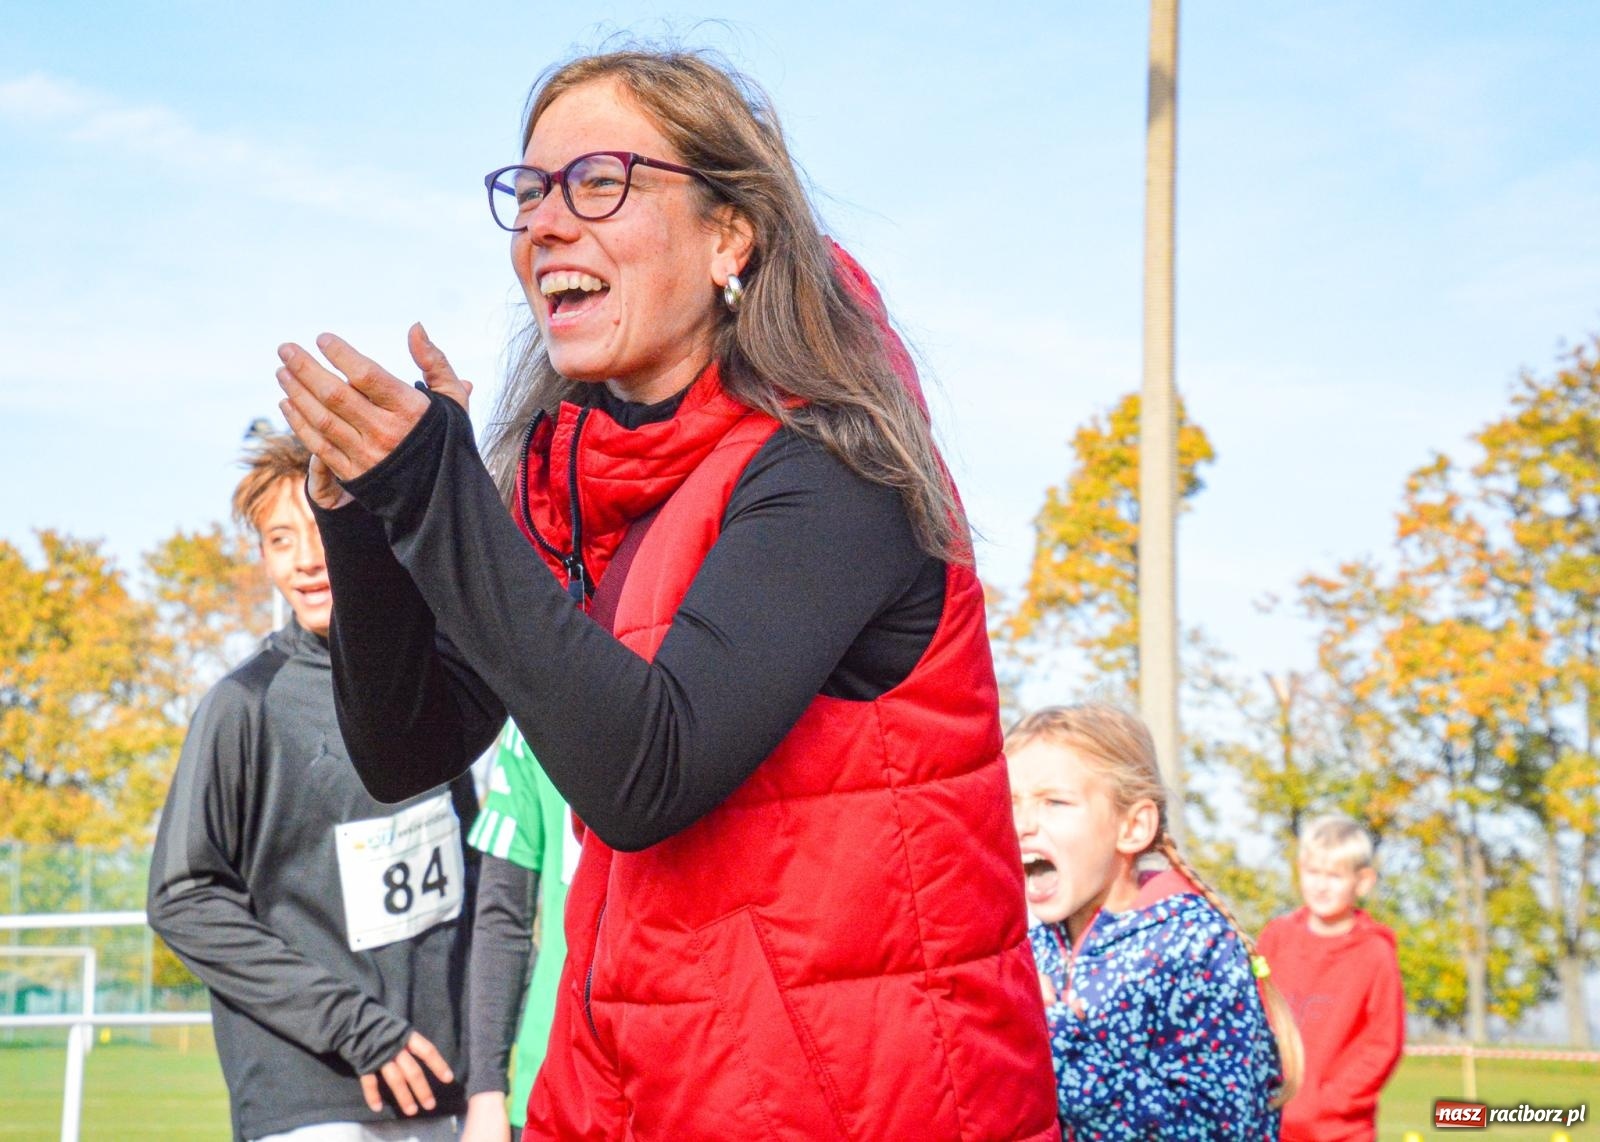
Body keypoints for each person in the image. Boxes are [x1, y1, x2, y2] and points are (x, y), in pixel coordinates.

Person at [273, 46, 1059, 1141]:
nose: (546, 223)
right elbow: (411, 745)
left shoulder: (836, 466)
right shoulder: (580, 491)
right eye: (530, 191)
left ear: (729, 235)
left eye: (599, 181)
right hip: (642, 1092)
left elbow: (644, 774)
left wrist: (438, 495)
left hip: (857, 1108)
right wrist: (369, 514)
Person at [147, 434, 475, 1142]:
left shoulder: (435, 683)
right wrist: (354, 1026)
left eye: (320, 530)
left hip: (450, 1092)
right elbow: (182, 897)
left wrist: (489, 1069)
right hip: (312, 1101)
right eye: (279, 539)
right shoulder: (243, 706)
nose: (304, 559)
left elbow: (474, 882)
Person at [1006, 703, 1303, 1139]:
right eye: (1009, 802)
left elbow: (1217, 1128)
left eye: (1055, 802)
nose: (1023, 824)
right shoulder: (1029, 946)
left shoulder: (1192, 947)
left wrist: (1057, 1040)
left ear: (1132, 827)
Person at [461, 723, 577, 1141]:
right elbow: (503, 916)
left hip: (691, 1075)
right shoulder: (532, 717)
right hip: (551, 1076)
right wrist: (486, 1091)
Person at [1257, 814, 1405, 1141]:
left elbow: (1384, 1045)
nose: (1321, 885)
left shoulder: (1375, 953)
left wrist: (1329, 1102)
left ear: (1363, 881)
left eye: (1334, 876)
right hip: (1271, 1123)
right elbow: (1253, 1016)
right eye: (1313, 872)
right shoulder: (1276, 938)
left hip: (1340, 1131)